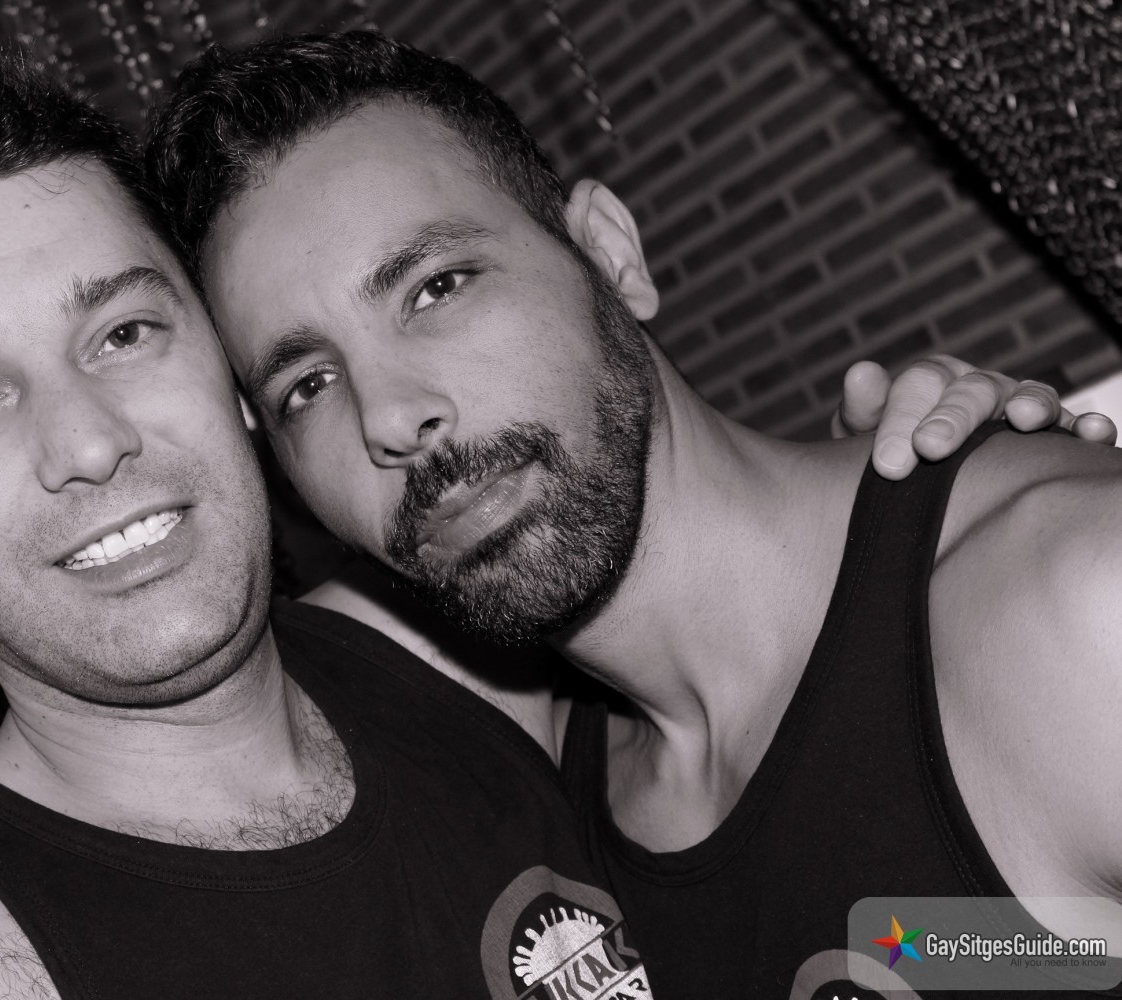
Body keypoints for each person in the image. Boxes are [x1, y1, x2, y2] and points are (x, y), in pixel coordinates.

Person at [0, 47, 1096, 1000]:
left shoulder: (484, 680)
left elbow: (964, 933)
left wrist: (983, 507)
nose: (89, 439)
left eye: (124, 332)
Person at [143, 30, 1122, 998]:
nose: (391, 418)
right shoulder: (530, 813)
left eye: (436, 287)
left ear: (608, 254)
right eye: (307, 386)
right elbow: (1005, 955)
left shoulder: (1066, 615)